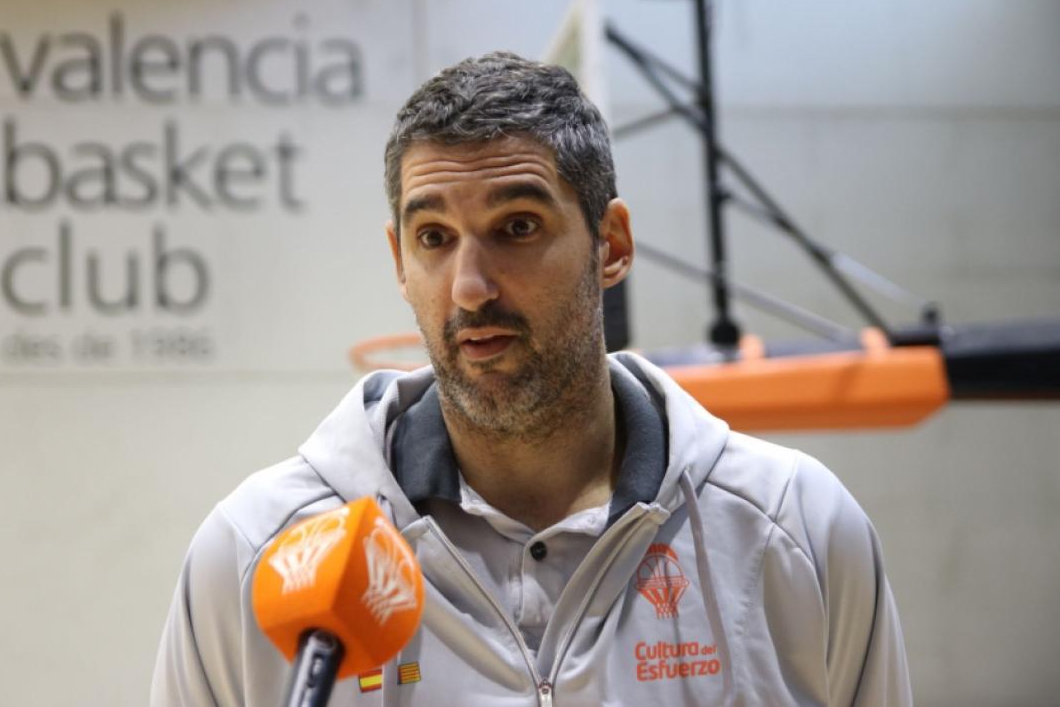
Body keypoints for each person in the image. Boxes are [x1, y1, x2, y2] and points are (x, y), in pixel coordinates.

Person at [152, 52, 911, 706]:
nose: (469, 285)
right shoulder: (256, 553)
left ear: (611, 244)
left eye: (517, 227)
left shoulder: (795, 529)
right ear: (399, 262)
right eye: (433, 237)